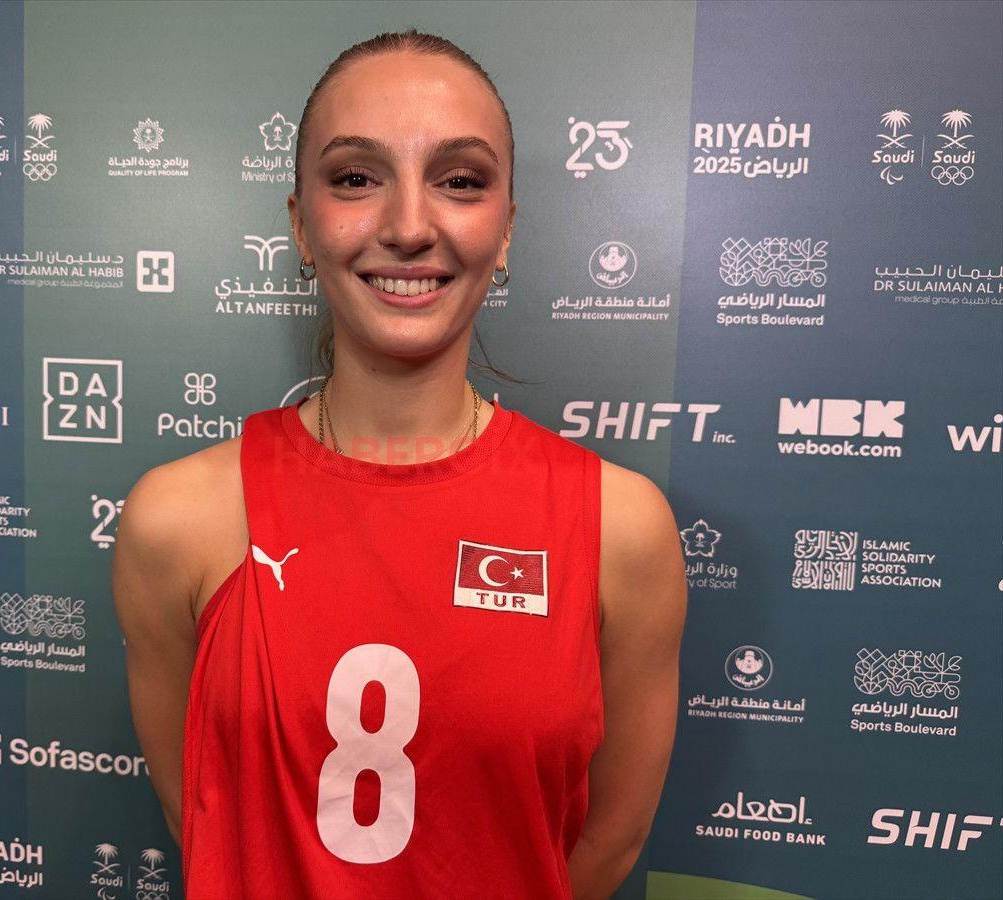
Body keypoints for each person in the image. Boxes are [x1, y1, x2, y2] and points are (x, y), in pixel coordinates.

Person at [112, 29, 686, 900]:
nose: (410, 227)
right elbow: (202, 814)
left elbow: (606, 841)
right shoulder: (176, 521)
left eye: (460, 180)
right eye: (355, 178)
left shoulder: (621, 529)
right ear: (301, 226)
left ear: (505, 230)